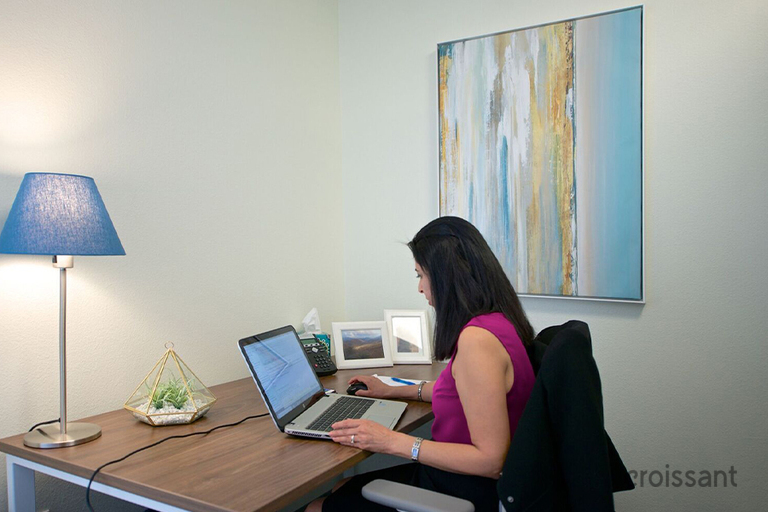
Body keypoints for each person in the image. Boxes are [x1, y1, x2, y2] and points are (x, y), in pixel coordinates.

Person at [307, 216, 536, 512]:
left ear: (446, 277)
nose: (420, 287)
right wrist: (392, 389)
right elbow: (458, 391)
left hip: (467, 489)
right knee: (341, 488)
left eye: (420, 275)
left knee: (317, 507)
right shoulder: (497, 322)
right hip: (459, 479)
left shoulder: (478, 342)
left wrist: (392, 442)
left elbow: (490, 461)